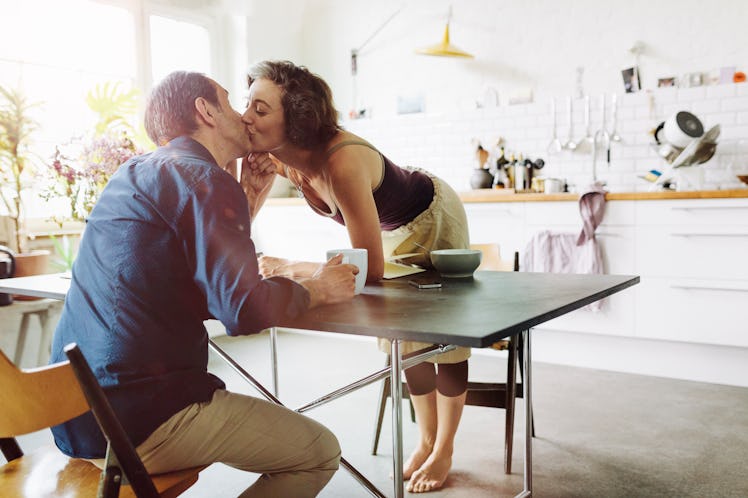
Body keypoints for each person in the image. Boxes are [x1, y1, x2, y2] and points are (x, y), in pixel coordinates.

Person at [49, 70, 359, 498]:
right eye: (232, 103)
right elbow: (243, 309)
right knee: (319, 452)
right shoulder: (205, 179)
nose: (243, 116)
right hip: (136, 422)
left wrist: (244, 199)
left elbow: (195, 279)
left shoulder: (133, 173)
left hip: (75, 414)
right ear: (206, 110)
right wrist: (318, 288)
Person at [241, 60, 471, 493]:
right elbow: (234, 215)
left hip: (432, 218)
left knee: (446, 337)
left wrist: (294, 267)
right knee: (404, 336)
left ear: (296, 117)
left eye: (260, 108)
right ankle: (424, 441)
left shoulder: (342, 162)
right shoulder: (280, 158)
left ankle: (444, 449)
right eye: (246, 104)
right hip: (391, 230)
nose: (245, 116)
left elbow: (370, 268)